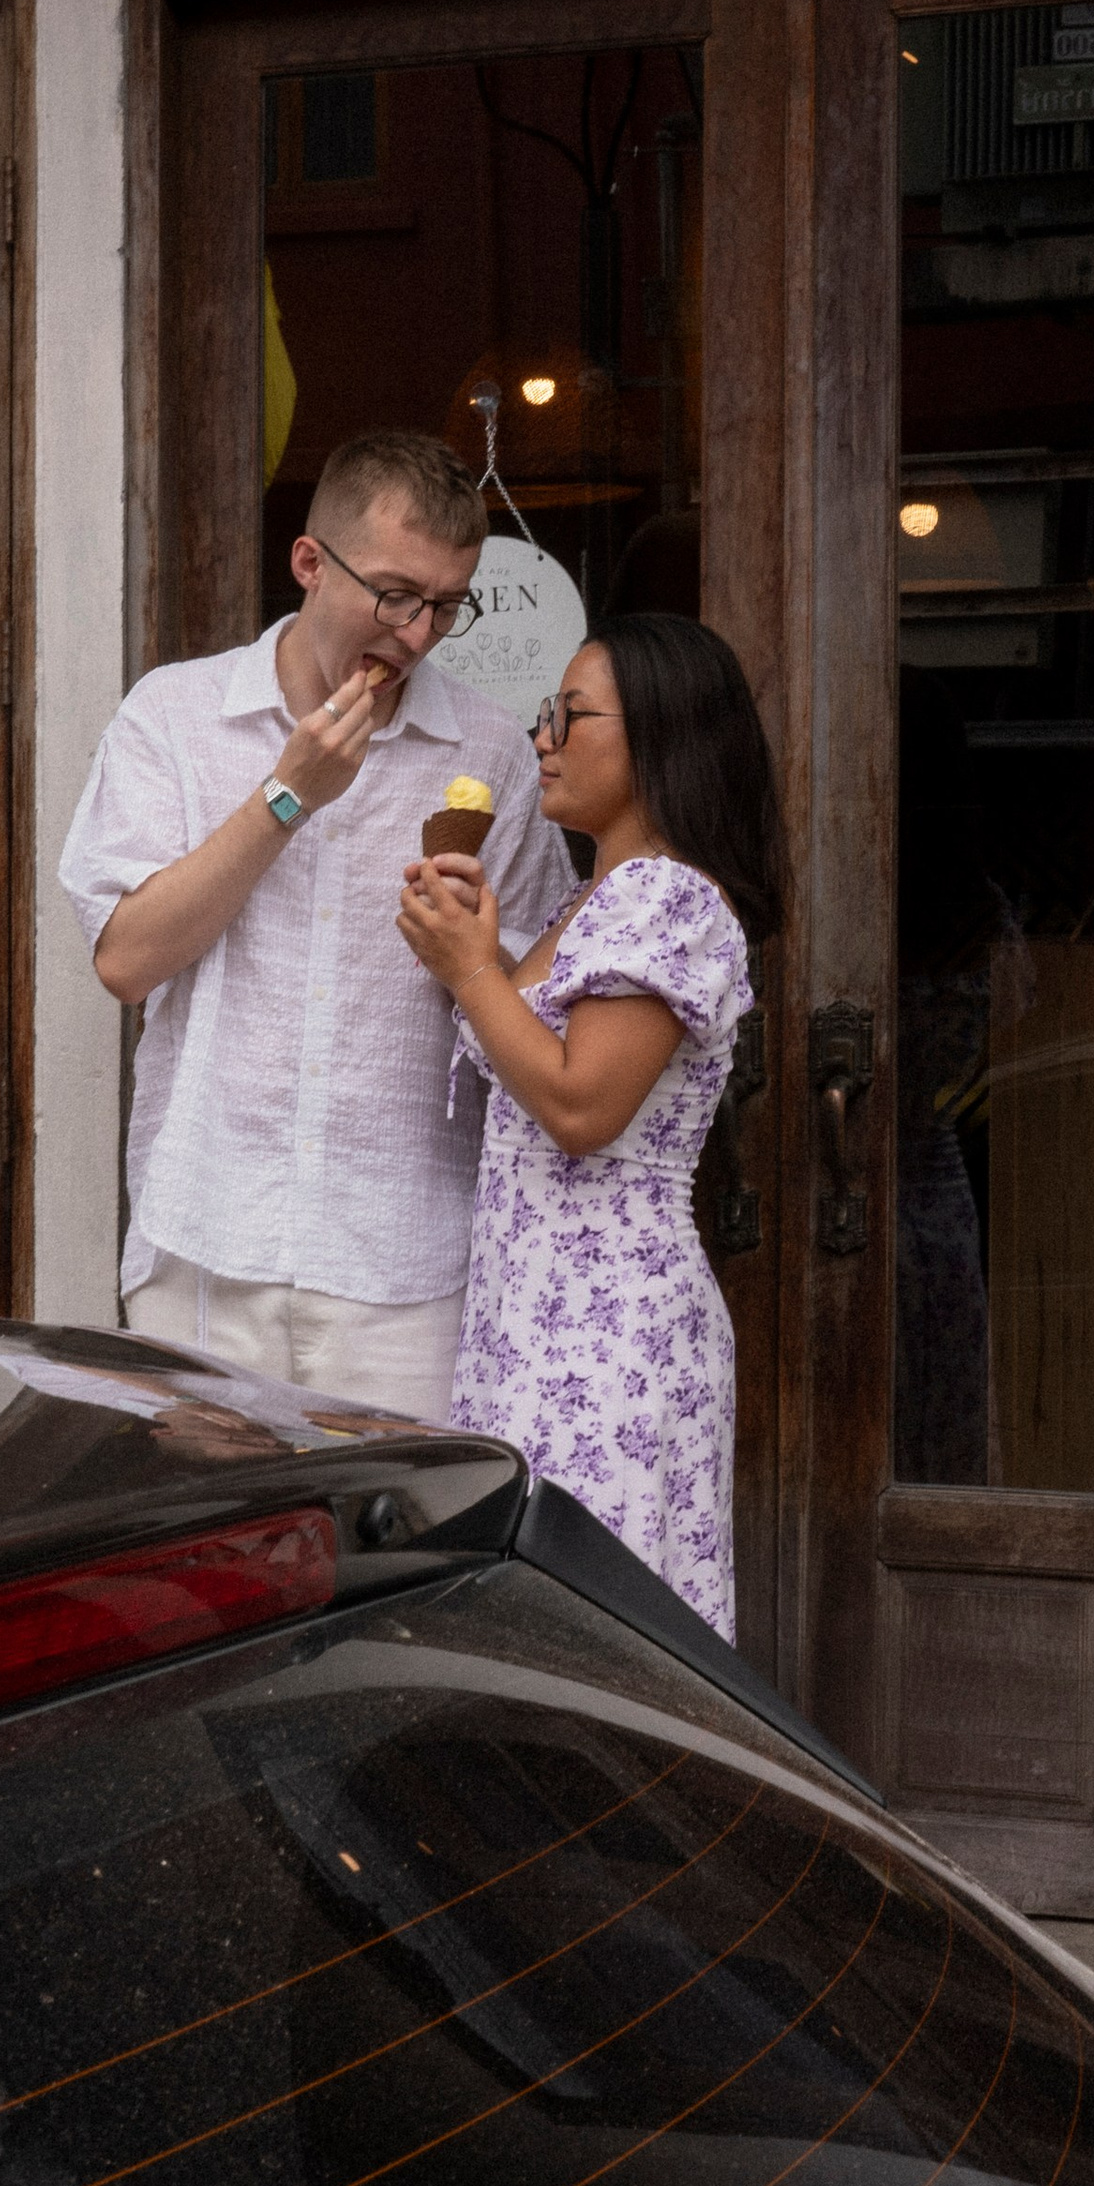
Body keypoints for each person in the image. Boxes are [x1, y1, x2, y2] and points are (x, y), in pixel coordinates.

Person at [59, 428, 573, 1418]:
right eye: (393, 594)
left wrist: (470, 954)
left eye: (444, 606)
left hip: (406, 1267)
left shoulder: (490, 751)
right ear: (308, 562)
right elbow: (126, 962)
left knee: (401, 1559)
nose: (416, 633)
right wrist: (286, 797)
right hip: (204, 1246)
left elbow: (534, 1014)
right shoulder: (173, 716)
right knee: (207, 1558)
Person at [396, 612, 777, 1637]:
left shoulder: (665, 897)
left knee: (592, 1637)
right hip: (533, 1318)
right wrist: (471, 952)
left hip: (608, 1331)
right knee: (545, 1633)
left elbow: (580, 1108)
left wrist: (472, 969)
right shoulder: (591, 898)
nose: (542, 741)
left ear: (661, 737)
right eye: (542, 716)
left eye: (573, 717)